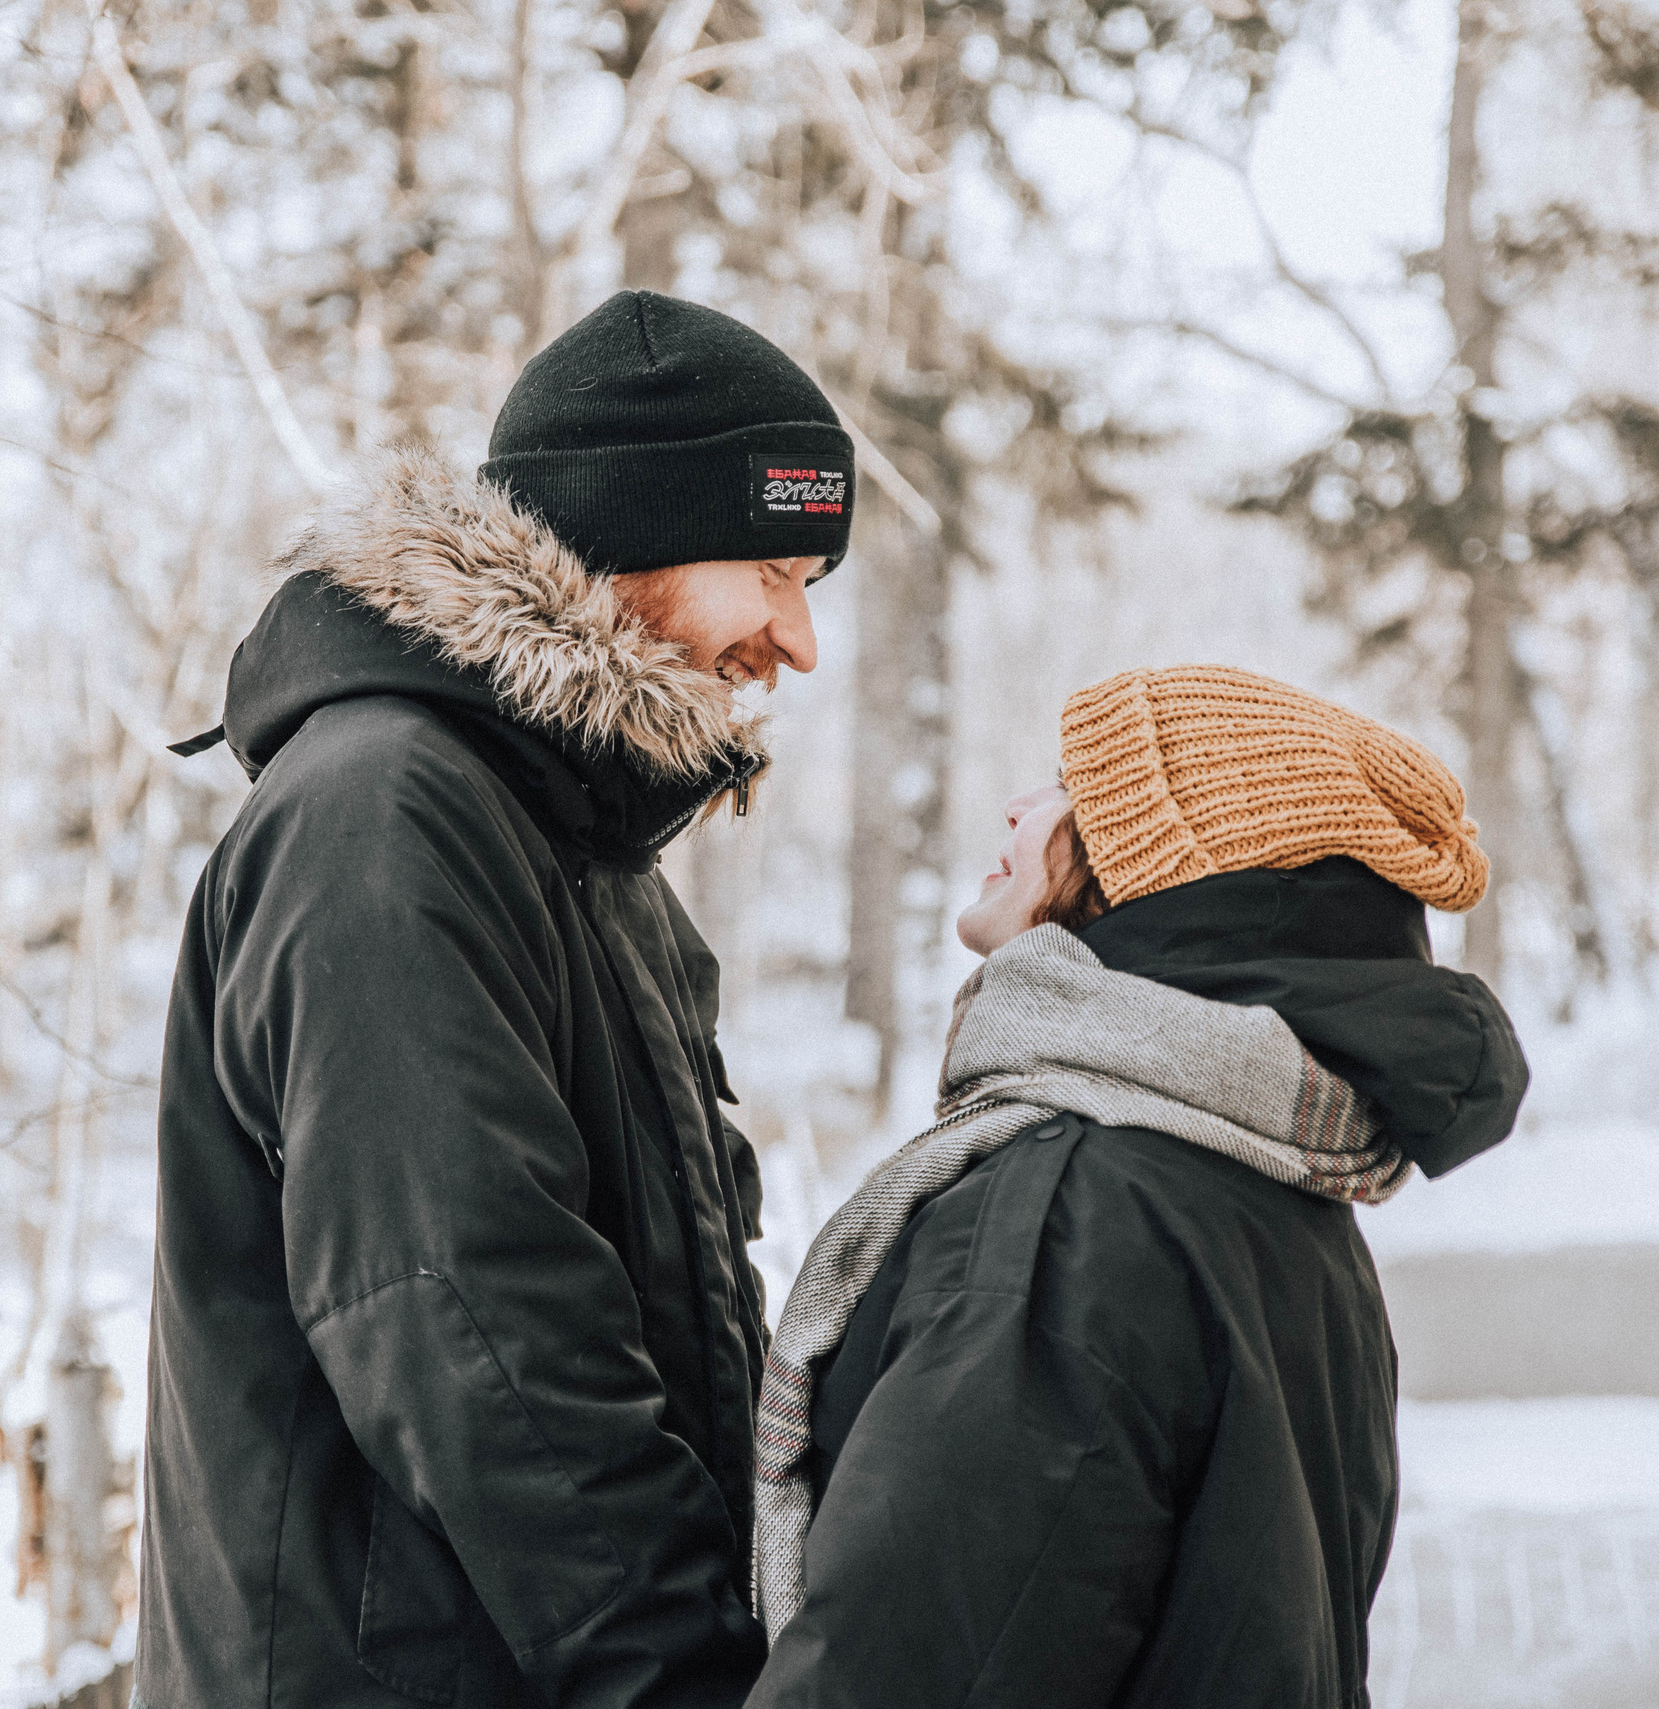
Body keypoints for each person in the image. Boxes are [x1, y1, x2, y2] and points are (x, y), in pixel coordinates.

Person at [137, 291, 859, 1708]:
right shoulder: (386, 814)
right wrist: (690, 1680)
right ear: (632, 532)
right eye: (769, 568)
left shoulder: (578, 847)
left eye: (810, 586)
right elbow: (469, 1325)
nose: (797, 639)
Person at [746, 665, 1530, 1709]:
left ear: (1161, 879)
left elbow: (897, 1664)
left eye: (1070, 786)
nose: (1021, 805)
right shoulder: (1270, 1187)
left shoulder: (1071, 1214)